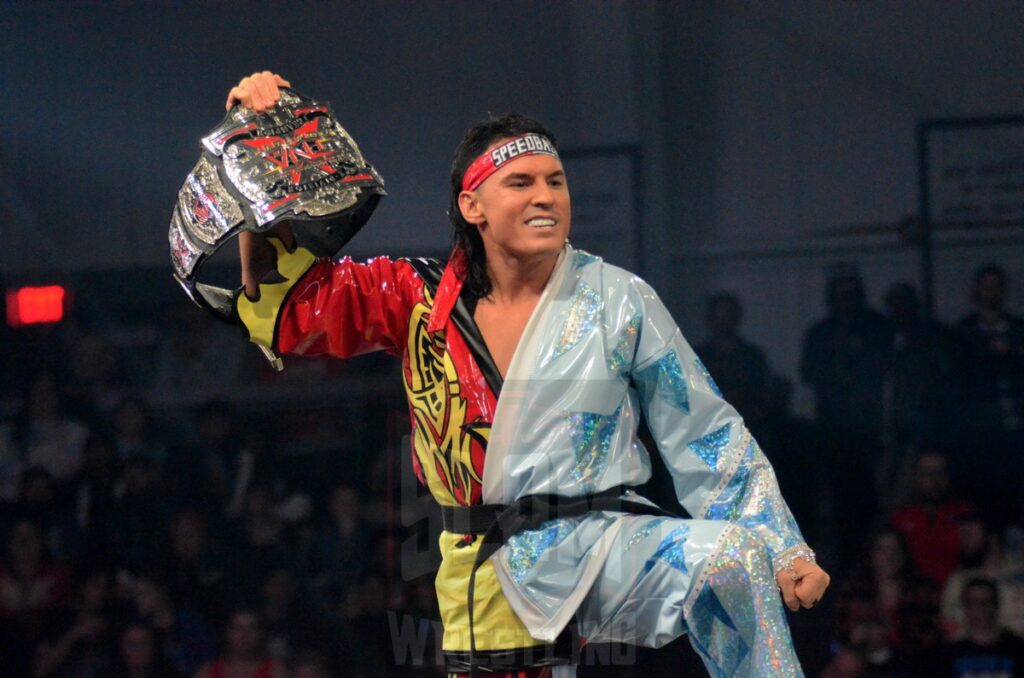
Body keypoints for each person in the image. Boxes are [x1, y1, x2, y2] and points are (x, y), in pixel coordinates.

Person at [216, 71, 831, 677]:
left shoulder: (618, 299)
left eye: (555, 181)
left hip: (605, 547)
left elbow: (704, 431)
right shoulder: (413, 297)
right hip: (490, 572)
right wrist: (258, 138)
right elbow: (291, 303)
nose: (545, 196)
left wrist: (782, 545)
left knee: (733, 560)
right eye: (521, 182)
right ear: (472, 204)